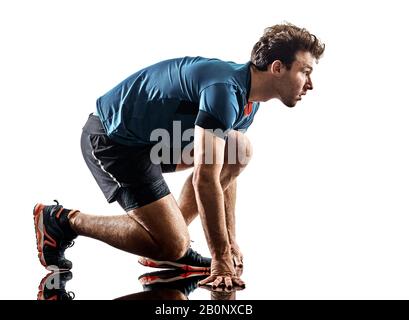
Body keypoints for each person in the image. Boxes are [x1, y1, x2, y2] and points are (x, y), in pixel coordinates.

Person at [33, 22, 325, 290]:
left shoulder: (249, 100)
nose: (310, 85)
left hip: (153, 141)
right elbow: (206, 179)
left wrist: (230, 240)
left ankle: (167, 247)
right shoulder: (224, 90)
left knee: (239, 148)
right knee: (173, 243)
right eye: (305, 72)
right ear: (277, 68)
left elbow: (222, 168)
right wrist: (220, 257)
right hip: (112, 140)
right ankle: (61, 221)